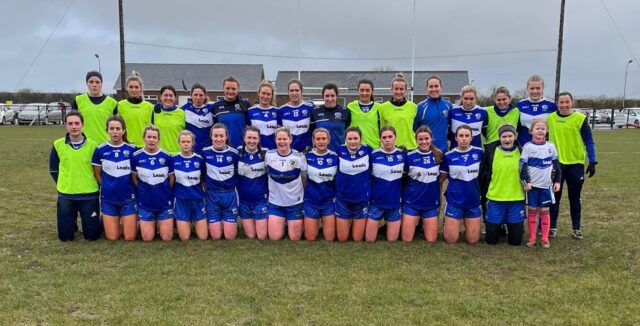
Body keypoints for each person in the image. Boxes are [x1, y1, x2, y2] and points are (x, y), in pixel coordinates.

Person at [548, 92, 597, 240]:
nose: (564, 105)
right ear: (557, 103)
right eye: (561, 102)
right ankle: (552, 228)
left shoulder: (580, 119)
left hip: (575, 164)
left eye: (566, 102)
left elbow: (589, 140)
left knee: (574, 197)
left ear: (572, 102)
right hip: (556, 165)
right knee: (554, 197)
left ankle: (576, 229)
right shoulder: (550, 118)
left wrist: (593, 161)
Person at [49, 111, 101, 241]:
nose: (74, 127)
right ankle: (70, 222)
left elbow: (99, 171)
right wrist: (64, 183)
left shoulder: (94, 146)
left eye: (77, 123)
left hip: (89, 194)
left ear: (82, 125)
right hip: (66, 194)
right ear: (65, 126)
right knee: (65, 238)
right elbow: (53, 170)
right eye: (70, 123)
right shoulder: (57, 145)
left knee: (92, 236)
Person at [91, 115, 137, 241]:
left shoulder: (132, 150)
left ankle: (129, 220)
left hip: (128, 198)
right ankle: (109, 220)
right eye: (112, 129)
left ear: (123, 131)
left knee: (130, 237)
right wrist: (108, 186)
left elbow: (136, 175)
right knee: (112, 237)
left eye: (118, 128)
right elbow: (97, 174)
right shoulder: (100, 150)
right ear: (107, 131)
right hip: (109, 198)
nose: (115, 132)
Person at [479, 124, 525, 246]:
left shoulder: (522, 152)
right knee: (491, 240)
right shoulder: (491, 153)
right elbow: (483, 175)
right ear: (499, 138)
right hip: (495, 199)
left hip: (516, 198)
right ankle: (501, 224)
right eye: (504, 136)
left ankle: (509, 224)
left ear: (514, 137)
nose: (507, 139)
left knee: (516, 241)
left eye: (510, 136)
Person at [520, 119, 561, 248]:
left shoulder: (551, 146)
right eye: (537, 128)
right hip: (532, 187)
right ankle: (532, 238)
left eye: (543, 128)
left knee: (544, 211)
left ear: (546, 131)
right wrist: (525, 182)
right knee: (532, 211)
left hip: (546, 187)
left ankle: (544, 238)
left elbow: (556, 165)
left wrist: (558, 181)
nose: (540, 131)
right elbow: (522, 167)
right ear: (531, 131)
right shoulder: (528, 147)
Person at [440, 125, 483, 244]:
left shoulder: (479, 153)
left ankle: (467, 224)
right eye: (461, 136)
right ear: (456, 138)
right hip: (455, 200)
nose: (464, 138)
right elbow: (441, 178)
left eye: (467, 136)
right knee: (451, 239)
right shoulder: (448, 156)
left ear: (471, 138)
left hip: (473, 200)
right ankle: (449, 222)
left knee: (473, 240)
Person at [130, 125, 175, 241]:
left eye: (154, 137)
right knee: (147, 238)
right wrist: (143, 190)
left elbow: (171, 179)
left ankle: (160, 222)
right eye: (149, 137)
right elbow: (134, 178)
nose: (151, 140)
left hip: (163, 202)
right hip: (145, 203)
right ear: (143, 138)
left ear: (159, 139)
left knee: (167, 238)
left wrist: (163, 191)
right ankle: (146, 222)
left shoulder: (167, 157)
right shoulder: (136, 157)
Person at [265, 127, 307, 241]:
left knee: (295, 238)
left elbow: (304, 178)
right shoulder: (268, 155)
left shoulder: (299, 157)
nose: (282, 142)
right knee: (274, 237)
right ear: (275, 140)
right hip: (276, 203)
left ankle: (291, 222)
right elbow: (267, 174)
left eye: (284, 139)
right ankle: (283, 223)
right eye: (279, 139)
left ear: (290, 139)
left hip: (295, 203)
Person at [402, 126, 443, 243]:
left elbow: (442, 177)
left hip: (430, 202)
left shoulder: (439, 155)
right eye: (420, 139)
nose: (424, 142)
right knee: (407, 239)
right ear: (416, 140)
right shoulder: (409, 156)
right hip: (411, 202)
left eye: (426, 138)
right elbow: (403, 178)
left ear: (431, 139)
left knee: (431, 240)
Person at [367, 126, 406, 242]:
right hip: (376, 202)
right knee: (369, 239)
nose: (387, 140)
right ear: (380, 139)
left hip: (394, 202)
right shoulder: (373, 155)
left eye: (390, 137)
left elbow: (408, 176)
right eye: (384, 137)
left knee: (392, 240)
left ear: (395, 138)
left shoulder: (403, 155)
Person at [202, 123, 240, 240]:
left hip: (229, 194)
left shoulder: (234, 153)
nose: (218, 139)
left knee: (229, 236)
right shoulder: (205, 152)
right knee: (216, 236)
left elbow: (238, 173)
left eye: (221, 136)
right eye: (216, 136)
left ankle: (229, 223)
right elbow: (202, 172)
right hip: (212, 195)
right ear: (211, 137)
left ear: (226, 137)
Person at [335, 127, 372, 242]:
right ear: (345, 139)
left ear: (360, 139)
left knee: (357, 239)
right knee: (342, 239)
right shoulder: (339, 150)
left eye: (356, 138)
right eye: (349, 139)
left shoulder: (368, 150)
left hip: (361, 199)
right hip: (343, 198)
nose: (352, 141)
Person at [303, 128, 338, 241]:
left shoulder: (335, 157)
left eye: (324, 139)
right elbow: (303, 178)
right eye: (318, 139)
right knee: (310, 237)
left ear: (328, 140)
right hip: (311, 201)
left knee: (330, 238)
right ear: (313, 141)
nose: (321, 141)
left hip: (328, 202)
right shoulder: (306, 157)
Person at [173, 130, 208, 241]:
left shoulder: (199, 160)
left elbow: (204, 178)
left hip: (197, 200)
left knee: (203, 237)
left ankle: (195, 222)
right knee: (184, 238)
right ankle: (185, 222)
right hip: (181, 201)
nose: (186, 144)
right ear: (179, 143)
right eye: (183, 141)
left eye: (188, 141)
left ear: (193, 143)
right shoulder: (173, 159)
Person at [237, 126, 269, 240]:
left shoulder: (266, 154)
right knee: (250, 236)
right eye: (249, 138)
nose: (251, 141)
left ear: (259, 139)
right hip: (244, 201)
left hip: (261, 200)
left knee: (261, 236)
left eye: (254, 138)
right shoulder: (237, 153)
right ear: (244, 138)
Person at [71, 71, 117, 144]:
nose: (94, 85)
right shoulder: (78, 101)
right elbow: (72, 123)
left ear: (101, 84)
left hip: (105, 145)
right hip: (84, 144)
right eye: (91, 82)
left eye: (97, 82)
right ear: (87, 83)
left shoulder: (112, 103)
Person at [414, 76, 453, 153]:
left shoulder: (448, 106)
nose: (434, 89)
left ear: (441, 87)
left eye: (436, 86)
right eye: (431, 87)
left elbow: (451, 126)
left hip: (444, 150)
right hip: (426, 150)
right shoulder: (420, 107)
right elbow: (415, 129)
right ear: (427, 88)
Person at [379, 73, 417, 150]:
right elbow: (381, 129)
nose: (398, 92)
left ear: (406, 90)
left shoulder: (413, 107)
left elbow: (416, 128)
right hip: (391, 149)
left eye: (401, 89)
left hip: (410, 148)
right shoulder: (382, 107)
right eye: (396, 89)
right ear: (391, 90)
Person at [115, 72, 154, 148]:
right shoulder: (120, 105)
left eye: (136, 87)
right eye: (131, 87)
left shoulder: (149, 107)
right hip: (125, 146)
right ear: (127, 88)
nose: (134, 89)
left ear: (141, 88)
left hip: (144, 147)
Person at [516, 75, 557, 146]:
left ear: (543, 89)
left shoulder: (552, 105)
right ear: (527, 89)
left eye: (538, 88)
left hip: (544, 147)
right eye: (532, 88)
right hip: (523, 145)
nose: (535, 91)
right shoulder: (520, 105)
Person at [211, 76, 251, 148]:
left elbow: (250, 127)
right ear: (223, 89)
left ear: (237, 90)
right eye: (227, 88)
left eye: (233, 89)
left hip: (241, 148)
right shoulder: (216, 106)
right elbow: (213, 129)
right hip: (223, 149)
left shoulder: (245, 104)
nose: (230, 91)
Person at [311, 83, 350, 152]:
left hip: (339, 153)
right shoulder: (315, 111)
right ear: (323, 97)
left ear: (336, 96)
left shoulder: (345, 111)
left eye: (332, 96)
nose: (330, 99)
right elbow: (312, 132)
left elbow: (347, 130)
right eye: (327, 96)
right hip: (321, 154)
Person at [278, 79, 313, 152]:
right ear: (288, 92)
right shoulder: (281, 110)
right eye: (291, 90)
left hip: (306, 152)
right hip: (288, 152)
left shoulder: (310, 108)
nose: (294, 93)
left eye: (297, 90)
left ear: (301, 92)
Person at [347, 79, 381, 148]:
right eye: (362, 90)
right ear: (358, 91)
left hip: (374, 147)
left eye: (367, 90)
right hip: (356, 148)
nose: (364, 93)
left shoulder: (379, 107)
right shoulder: (350, 106)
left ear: (372, 91)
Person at [153, 85, 186, 154]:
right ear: (161, 97)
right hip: (159, 154)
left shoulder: (182, 113)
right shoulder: (155, 112)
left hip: (178, 154)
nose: (168, 98)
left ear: (175, 98)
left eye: (171, 95)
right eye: (165, 95)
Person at [247, 80, 279, 150]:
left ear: (272, 95)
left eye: (268, 94)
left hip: (273, 151)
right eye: (263, 93)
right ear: (259, 93)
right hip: (257, 151)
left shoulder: (277, 111)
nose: (265, 96)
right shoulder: (251, 111)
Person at [183, 83, 214, 154]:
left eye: (201, 95)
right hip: (191, 151)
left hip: (208, 151)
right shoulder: (185, 108)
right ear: (191, 96)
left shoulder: (211, 108)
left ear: (205, 96)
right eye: (195, 95)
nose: (198, 97)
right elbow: (171, 109)